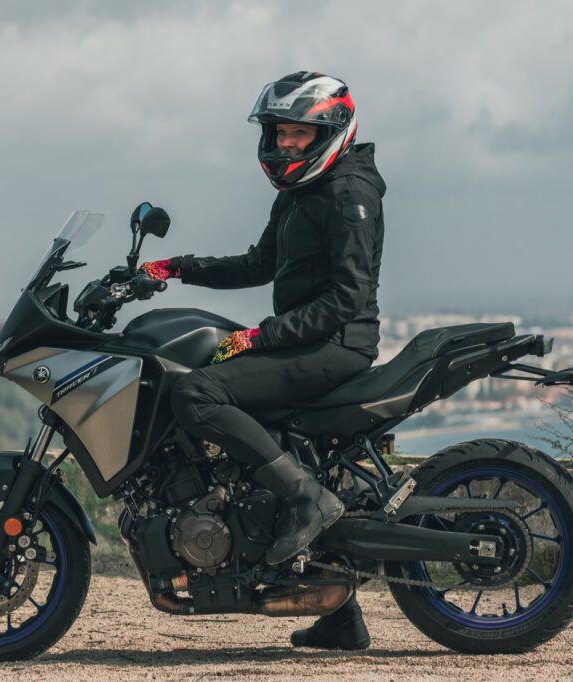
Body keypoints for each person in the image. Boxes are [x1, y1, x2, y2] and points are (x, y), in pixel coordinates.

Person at [141, 71, 385, 650]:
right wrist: (176, 268)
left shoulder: (348, 194)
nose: (286, 144)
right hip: (306, 343)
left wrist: (262, 336)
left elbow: (347, 298)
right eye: (280, 133)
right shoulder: (301, 191)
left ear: (330, 132)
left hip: (335, 346)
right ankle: (339, 613)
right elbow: (259, 264)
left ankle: (306, 497)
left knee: (196, 392)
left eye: (299, 134)